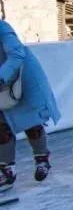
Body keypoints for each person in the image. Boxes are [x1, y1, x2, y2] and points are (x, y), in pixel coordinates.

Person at [0, 20, 60, 191]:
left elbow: (17, 54)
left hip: (21, 78)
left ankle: (42, 158)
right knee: (1, 123)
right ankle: (6, 168)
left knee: (30, 119)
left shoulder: (2, 27)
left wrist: (2, 77)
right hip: (2, 84)